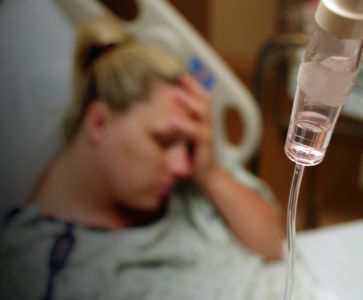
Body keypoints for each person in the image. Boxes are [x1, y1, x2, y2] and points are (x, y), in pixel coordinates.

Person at [0, 15, 283, 300]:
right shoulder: (33, 256)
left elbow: (272, 244)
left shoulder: (194, 184)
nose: (181, 166)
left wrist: (208, 171)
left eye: (187, 146)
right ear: (98, 123)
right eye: (162, 141)